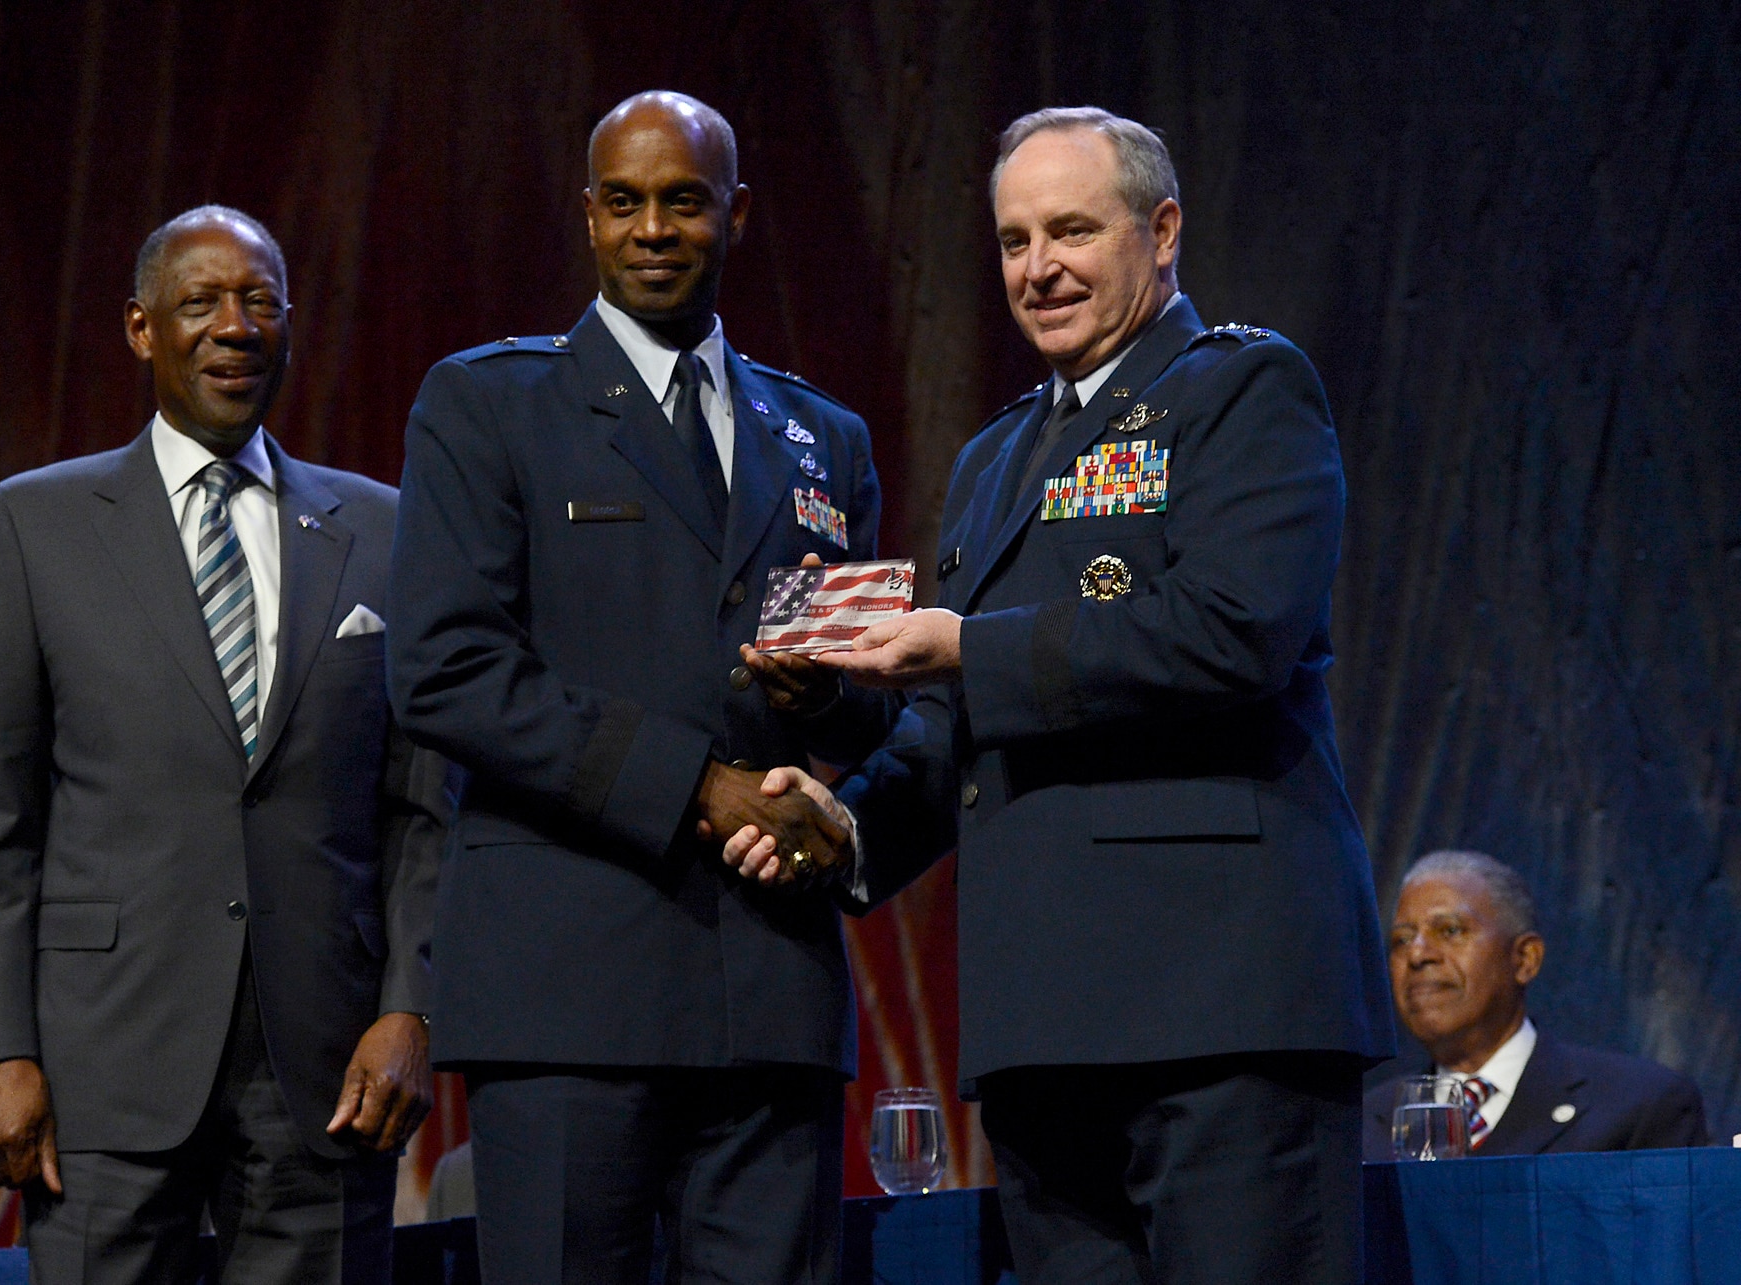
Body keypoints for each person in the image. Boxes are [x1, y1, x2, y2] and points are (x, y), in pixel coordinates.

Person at [723, 107, 1395, 1283]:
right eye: (1013, 239)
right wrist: (847, 826)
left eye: (1072, 230)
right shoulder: (995, 457)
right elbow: (959, 718)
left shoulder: (1243, 388)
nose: (1038, 269)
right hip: (1042, 1028)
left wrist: (960, 651)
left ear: (1163, 229)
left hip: (1220, 1010)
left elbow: (1231, 635)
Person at [385, 90, 891, 1283]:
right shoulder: (486, 403)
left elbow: (874, 703)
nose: (653, 228)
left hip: (769, 985)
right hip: (568, 991)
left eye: (683, 202)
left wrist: (821, 701)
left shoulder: (824, 435)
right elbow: (446, 671)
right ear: (589, 217)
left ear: (737, 215)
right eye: (625, 203)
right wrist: (696, 789)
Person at [0, 206, 443, 1284]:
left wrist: (411, 1007)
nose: (233, 325)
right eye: (200, 301)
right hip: (98, 1068)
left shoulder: (385, 529)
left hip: (325, 1067)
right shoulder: (32, 525)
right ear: (139, 328)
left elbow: (423, 811)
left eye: (259, 301)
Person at [1364, 850, 1708, 1159]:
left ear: (1525, 959)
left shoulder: (1639, 1106)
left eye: (1450, 931)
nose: (1418, 954)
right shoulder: (1364, 1123)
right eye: (1401, 940)